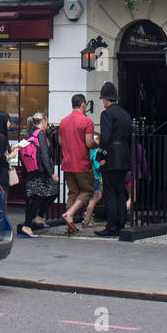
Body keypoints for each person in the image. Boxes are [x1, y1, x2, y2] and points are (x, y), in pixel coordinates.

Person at [95, 82, 132, 238]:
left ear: (106, 99)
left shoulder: (107, 114)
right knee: (120, 193)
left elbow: (105, 138)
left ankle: (112, 227)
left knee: (110, 193)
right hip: (124, 156)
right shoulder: (125, 114)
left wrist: (101, 155)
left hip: (111, 157)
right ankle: (121, 224)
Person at [13, 113, 57, 237]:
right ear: (43, 121)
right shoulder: (40, 134)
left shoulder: (31, 133)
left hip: (31, 172)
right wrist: (51, 173)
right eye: (46, 121)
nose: (47, 124)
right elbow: (44, 155)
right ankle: (27, 226)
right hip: (40, 172)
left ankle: (37, 218)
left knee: (41, 196)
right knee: (36, 199)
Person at [59, 93, 97, 235]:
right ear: (83, 105)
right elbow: (88, 142)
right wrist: (96, 143)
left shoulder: (63, 122)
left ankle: (69, 225)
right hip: (81, 162)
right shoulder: (87, 122)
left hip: (67, 162)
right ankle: (69, 214)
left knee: (73, 193)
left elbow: (61, 142)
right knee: (88, 191)